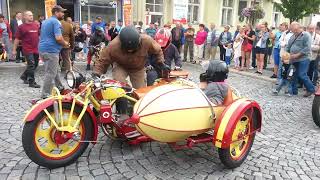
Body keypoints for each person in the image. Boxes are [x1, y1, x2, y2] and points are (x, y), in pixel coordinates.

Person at [93, 26, 168, 89]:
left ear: (139, 41)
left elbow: (158, 51)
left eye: (133, 49)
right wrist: (97, 73)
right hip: (121, 66)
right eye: (128, 50)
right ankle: (122, 102)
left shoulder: (147, 40)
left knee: (140, 91)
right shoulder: (113, 46)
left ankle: (137, 104)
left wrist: (161, 62)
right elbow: (102, 60)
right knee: (119, 87)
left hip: (138, 68)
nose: (130, 51)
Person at [39, 5, 69, 98]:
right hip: (51, 50)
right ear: (56, 12)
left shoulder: (45, 21)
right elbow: (58, 38)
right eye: (62, 12)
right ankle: (45, 94)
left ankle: (60, 87)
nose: (63, 14)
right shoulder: (56, 22)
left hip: (43, 49)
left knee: (55, 70)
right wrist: (66, 44)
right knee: (50, 73)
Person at [286, 22, 315, 97]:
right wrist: (286, 54)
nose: (294, 31)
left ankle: (311, 89)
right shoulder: (292, 36)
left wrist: (297, 55)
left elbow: (307, 48)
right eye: (292, 30)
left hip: (304, 59)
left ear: (300, 28)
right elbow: (288, 47)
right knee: (293, 75)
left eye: (295, 29)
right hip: (294, 59)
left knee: (302, 74)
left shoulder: (306, 35)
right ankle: (294, 91)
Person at [13, 11, 40, 88]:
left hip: (36, 49)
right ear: (25, 17)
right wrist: (14, 50)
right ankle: (32, 82)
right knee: (31, 65)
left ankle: (24, 76)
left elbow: (38, 36)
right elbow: (17, 39)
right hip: (27, 49)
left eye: (32, 15)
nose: (31, 17)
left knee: (35, 64)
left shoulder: (36, 25)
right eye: (29, 15)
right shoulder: (21, 27)